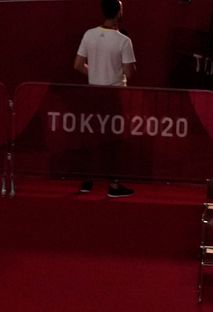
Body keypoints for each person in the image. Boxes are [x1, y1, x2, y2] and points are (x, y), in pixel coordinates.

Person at [74, 0, 136, 198]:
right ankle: (114, 185)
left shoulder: (89, 35)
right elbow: (130, 72)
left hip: (94, 93)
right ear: (118, 12)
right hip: (114, 95)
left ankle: (87, 181)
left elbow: (77, 65)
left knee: (92, 136)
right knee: (115, 140)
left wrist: (96, 74)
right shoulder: (123, 41)